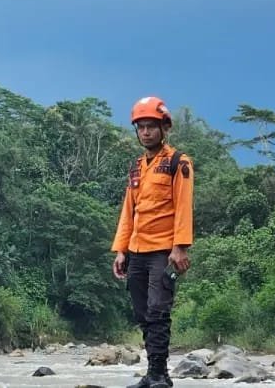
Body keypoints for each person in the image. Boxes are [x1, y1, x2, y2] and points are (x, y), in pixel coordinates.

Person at [111, 96, 194, 388]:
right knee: (142, 312)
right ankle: (151, 374)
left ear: (164, 128)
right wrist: (121, 250)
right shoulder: (136, 167)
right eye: (141, 127)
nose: (146, 132)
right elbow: (128, 209)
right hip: (135, 250)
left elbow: (183, 206)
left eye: (151, 126)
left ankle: (160, 375)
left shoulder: (177, 162)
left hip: (163, 250)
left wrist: (180, 246)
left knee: (159, 310)